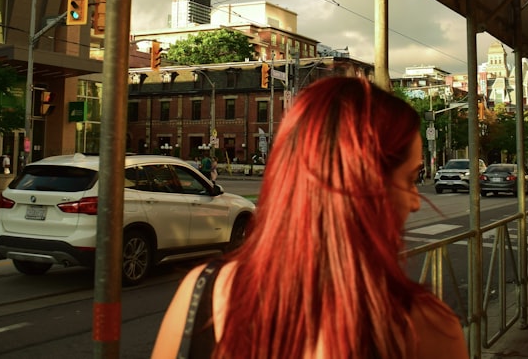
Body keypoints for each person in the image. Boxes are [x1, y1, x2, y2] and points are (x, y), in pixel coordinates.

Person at [151, 77, 468, 359]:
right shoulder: (425, 328)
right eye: (411, 179)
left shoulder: (202, 291)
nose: (416, 202)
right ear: (365, 187)